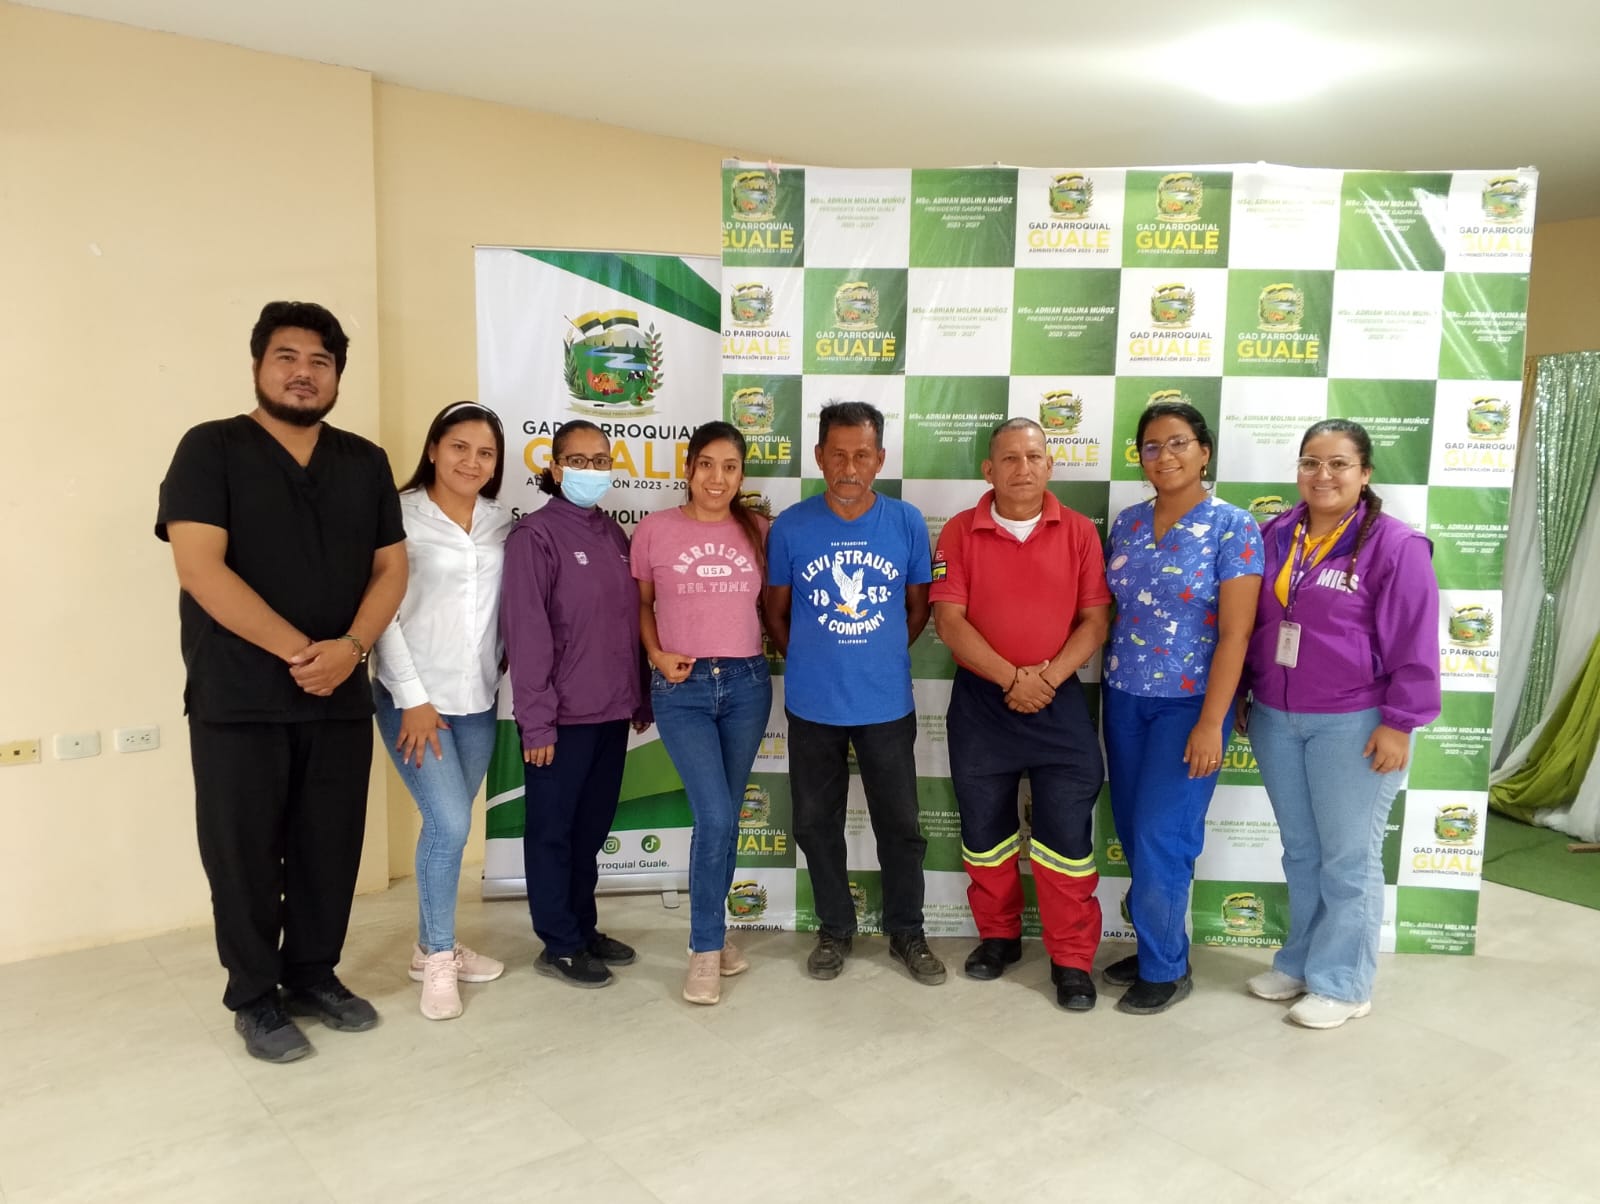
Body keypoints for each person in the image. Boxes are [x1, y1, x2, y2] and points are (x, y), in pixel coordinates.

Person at [156, 301, 408, 1063]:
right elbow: (200, 568)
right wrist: (307, 654)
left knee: (329, 847)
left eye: (320, 362)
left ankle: (313, 976)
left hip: (338, 697)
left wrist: (352, 649)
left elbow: (392, 568)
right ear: (258, 366)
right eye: (288, 357)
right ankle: (254, 997)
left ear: (337, 376)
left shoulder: (363, 462)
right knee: (243, 855)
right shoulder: (211, 448)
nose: (304, 373)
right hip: (239, 698)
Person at [1240, 419, 1441, 1030]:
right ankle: (1300, 963)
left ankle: (1344, 983)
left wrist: (1400, 722)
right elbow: (1251, 624)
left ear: (1365, 473)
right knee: (1302, 851)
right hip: (1276, 716)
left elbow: (1415, 641)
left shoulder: (1396, 546)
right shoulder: (1276, 534)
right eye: (1310, 462)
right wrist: (1247, 689)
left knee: (1348, 858)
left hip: (1354, 721)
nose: (1322, 474)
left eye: (1338, 464)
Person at [930, 418, 1112, 1011]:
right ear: (989, 469)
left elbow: (1095, 622)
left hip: (1058, 699)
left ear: (1050, 465)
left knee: (1067, 839)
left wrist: (1045, 680)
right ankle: (999, 938)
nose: (1023, 468)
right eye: (1009, 458)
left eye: (1034, 456)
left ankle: (1072, 959)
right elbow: (949, 622)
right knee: (986, 834)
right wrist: (1013, 679)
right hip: (983, 704)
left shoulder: (1079, 531)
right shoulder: (959, 531)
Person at [765, 401, 945, 984]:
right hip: (813, 705)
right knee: (816, 824)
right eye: (838, 455)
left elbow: (918, 609)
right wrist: (812, 659)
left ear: (880, 459)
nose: (849, 467)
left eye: (862, 455)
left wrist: (879, 653)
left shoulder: (906, 522)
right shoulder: (791, 527)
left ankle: (907, 930)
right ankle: (835, 928)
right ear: (819, 456)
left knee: (901, 825)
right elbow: (775, 612)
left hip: (885, 703)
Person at [1100, 401, 1263, 1014]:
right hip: (1123, 699)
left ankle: (1165, 970)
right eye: (1151, 446)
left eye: (1177, 443)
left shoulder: (1233, 527)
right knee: (1133, 832)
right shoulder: (1127, 523)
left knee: (1162, 836)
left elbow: (1237, 635)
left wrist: (1212, 722)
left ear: (1204, 452)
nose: (1164, 456)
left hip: (1188, 706)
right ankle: (1157, 945)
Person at [371, 402, 513, 1020]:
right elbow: (381, 612)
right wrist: (413, 698)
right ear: (433, 449)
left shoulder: (502, 521)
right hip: (413, 701)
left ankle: (432, 944)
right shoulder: (397, 515)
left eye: (485, 453)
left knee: (447, 828)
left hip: (477, 698)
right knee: (451, 824)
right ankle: (436, 958)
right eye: (459, 447)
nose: (471, 462)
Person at [501, 419, 650, 989]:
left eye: (601, 460)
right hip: (560, 720)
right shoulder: (534, 537)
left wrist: (638, 695)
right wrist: (536, 724)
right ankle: (559, 942)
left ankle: (583, 928)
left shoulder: (613, 534)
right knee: (553, 833)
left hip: (610, 712)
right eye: (579, 460)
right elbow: (527, 635)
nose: (591, 470)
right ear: (556, 468)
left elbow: (628, 622)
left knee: (589, 831)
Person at [633, 421, 772, 1005]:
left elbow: (776, 605)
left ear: (741, 475)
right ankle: (706, 948)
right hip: (681, 686)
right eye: (707, 465)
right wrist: (656, 654)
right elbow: (642, 604)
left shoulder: (759, 530)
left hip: (746, 684)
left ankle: (709, 938)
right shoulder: (655, 530)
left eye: (730, 467)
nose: (718, 478)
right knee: (713, 816)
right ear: (688, 469)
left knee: (726, 818)